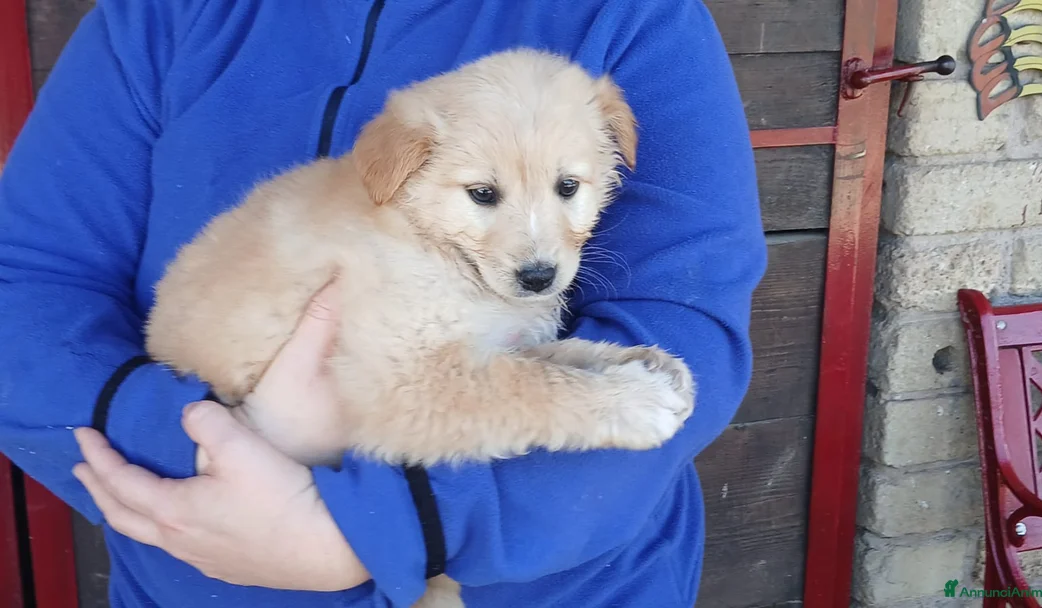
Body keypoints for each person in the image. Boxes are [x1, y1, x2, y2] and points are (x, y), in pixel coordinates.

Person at [0, 0, 767, 606]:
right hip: (205, 572)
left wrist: (373, 527)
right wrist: (199, 448)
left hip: (551, 587)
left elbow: (681, 327)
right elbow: (25, 286)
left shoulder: (630, 17)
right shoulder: (160, 16)